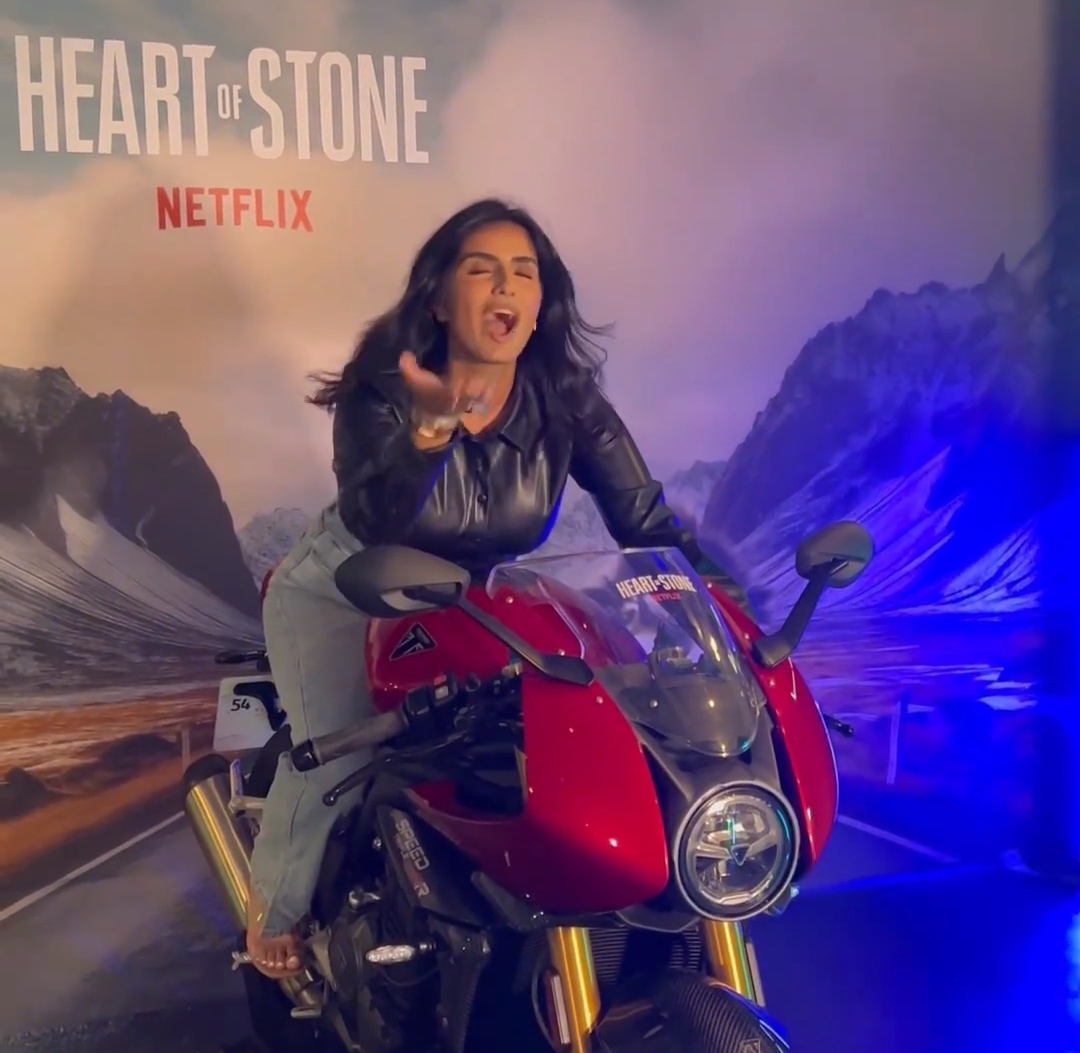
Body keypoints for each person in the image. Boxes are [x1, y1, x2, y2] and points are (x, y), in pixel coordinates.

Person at [245, 197, 748, 977]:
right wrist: (427, 434)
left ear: (541, 304)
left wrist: (720, 605)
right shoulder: (385, 385)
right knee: (338, 757)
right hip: (351, 587)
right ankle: (273, 913)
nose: (505, 286)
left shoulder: (566, 400)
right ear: (441, 301)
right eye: (481, 270)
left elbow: (642, 518)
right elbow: (376, 519)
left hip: (475, 600)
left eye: (524, 272)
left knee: (530, 747)